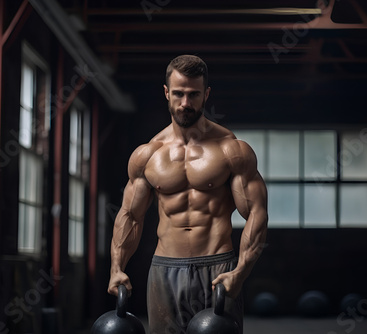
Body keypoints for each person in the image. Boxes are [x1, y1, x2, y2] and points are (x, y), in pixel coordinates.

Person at [107, 54, 268, 334]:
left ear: (206, 94)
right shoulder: (147, 155)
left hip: (219, 268)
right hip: (164, 270)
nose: (185, 103)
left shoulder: (232, 150)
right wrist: (117, 267)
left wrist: (240, 273)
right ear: (166, 92)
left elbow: (256, 212)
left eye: (193, 94)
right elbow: (131, 216)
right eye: (179, 93)